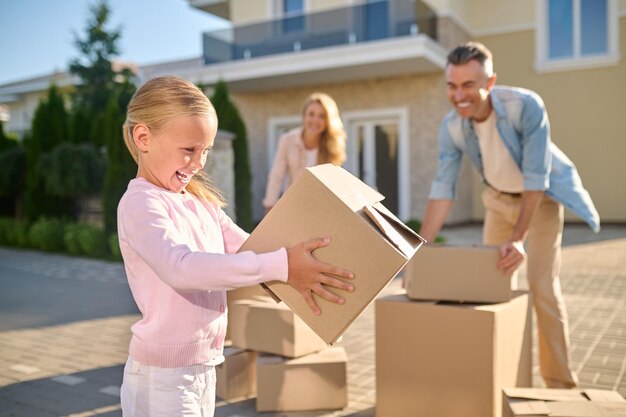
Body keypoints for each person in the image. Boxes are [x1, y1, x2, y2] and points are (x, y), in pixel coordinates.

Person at [117, 76, 354, 416]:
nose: (199, 163)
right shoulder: (141, 204)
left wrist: (308, 265)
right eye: (189, 150)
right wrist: (283, 265)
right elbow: (181, 268)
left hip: (202, 368)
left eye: (206, 151)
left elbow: (252, 248)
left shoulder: (201, 203)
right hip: (162, 378)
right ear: (144, 138)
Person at [419, 42, 600, 388]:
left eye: (468, 85)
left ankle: (560, 384)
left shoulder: (525, 107)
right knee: (493, 287)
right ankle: (502, 379)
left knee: (541, 287)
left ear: (489, 83)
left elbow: (536, 178)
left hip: (540, 201)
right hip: (498, 202)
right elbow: (443, 185)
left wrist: (517, 240)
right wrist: (421, 249)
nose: (459, 95)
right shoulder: (453, 126)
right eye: (452, 86)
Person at [262, 92, 346, 212]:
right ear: (304, 116)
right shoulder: (287, 141)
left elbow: (334, 184)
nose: (315, 120)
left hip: (321, 208)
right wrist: (269, 205)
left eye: (322, 116)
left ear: (328, 121)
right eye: (311, 114)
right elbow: (277, 175)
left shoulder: (332, 146)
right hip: (294, 206)